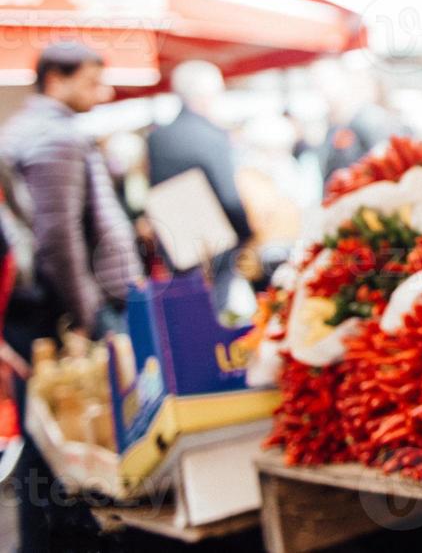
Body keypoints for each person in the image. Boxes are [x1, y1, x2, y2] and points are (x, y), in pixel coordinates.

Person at [0, 42, 145, 552]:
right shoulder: (55, 137)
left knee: (44, 439)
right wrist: (86, 316)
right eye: (89, 81)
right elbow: (58, 238)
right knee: (66, 439)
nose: (100, 92)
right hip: (57, 313)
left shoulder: (22, 130)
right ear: (55, 79)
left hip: (29, 314)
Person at [146, 60, 252, 245]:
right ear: (208, 95)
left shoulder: (157, 138)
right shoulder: (212, 136)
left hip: (176, 242)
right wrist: (247, 235)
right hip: (216, 245)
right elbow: (229, 199)